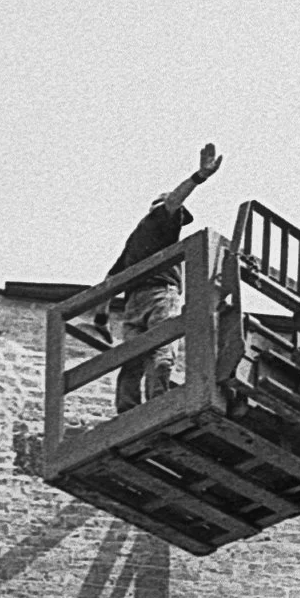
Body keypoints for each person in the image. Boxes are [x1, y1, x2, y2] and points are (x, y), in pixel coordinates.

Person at [96, 143, 222, 412]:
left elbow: (109, 281)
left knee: (132, 357)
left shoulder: (134, 241)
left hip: (133, 303)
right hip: (160, 296)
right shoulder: (160, 221)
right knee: (162, 350)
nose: (178, 220)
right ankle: (158, 403)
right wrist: (199, 176)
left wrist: (100, 317)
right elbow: (175, 200)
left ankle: (127, 410)